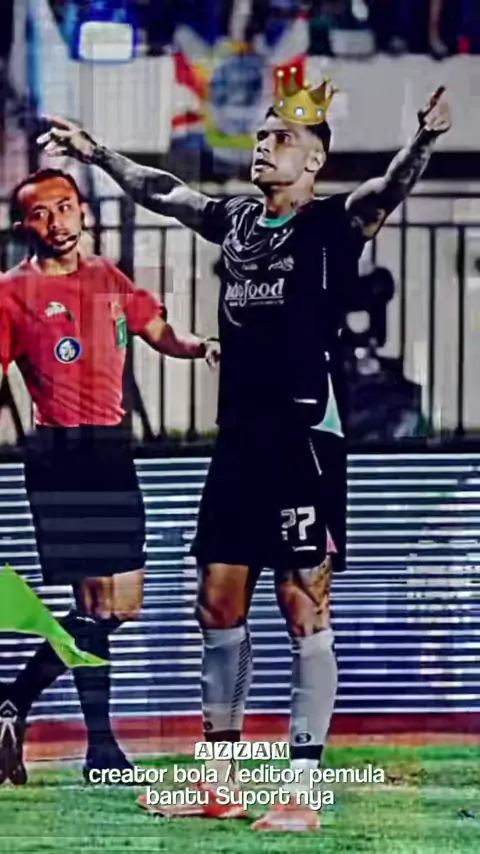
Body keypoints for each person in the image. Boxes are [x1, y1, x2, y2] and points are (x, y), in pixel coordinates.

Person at [37, 76, 451, 831]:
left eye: (281, 139)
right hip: (239, 443)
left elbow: (390, 189)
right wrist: (95, 154)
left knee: (303, 605)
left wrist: (423, 138)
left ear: (314, 160)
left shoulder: (334, 223)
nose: (264, 147)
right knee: (216, 604)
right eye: (261, 137)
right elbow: (163, 191)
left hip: (304, 441)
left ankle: (302, 793)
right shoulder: (234, 222)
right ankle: (219, 781)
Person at [0, 168, 219, 785]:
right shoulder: (11, 292)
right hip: (62, 456)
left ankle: (14, 698)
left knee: (119, 608)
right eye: (42, 213)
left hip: (112, 452)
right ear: (23, 226)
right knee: (93, 605)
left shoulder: (107, 278)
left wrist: (201, 346)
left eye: (66, 206)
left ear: (85, 211)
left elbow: (159, 332)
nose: (57, 221)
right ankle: (101, 747)